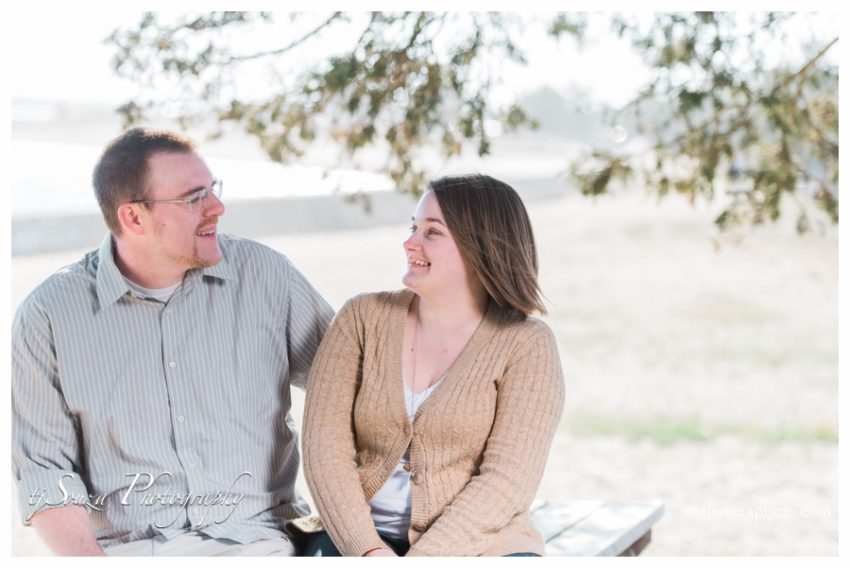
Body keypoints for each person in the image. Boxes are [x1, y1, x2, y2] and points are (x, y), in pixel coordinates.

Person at [11, 127, 334, 556]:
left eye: (213, 190)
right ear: (133, 217)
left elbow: (358, 389)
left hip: (266, 543)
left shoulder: (267, 277)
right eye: (193, 198)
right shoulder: (47, 317)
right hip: (129, 553)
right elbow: (46, 476)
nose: (217, 207)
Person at [301, 174, 565, 556]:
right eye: (413, 227)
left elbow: (506, 482)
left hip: (480, 544)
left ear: (481, 247)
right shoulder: (361, 318)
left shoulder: (526, 345)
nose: (410, 242)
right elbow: (324, 450)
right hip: (354, 538)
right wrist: (368, 552)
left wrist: (423, 559)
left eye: (432, 232)